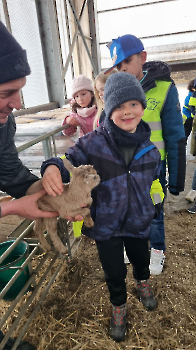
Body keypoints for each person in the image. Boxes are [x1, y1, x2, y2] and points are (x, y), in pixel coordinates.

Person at [40, 72, 164, 342]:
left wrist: (155, 202)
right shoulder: (93, 142)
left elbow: (154, 180)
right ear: (107, 107)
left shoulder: (151, 150)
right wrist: (52, 166)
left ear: (143, 106)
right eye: (118, 106)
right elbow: (69, 158)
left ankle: (142, 283)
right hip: (105, 223)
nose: (127, 111)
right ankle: (119, 305)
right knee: (114, 269)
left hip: (138, 221)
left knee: (141, 259)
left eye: (133, 104)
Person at [0, 21, 83, 349]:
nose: (18, 103)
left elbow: (12, 175)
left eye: (19, 90)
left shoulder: (3, 123)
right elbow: (13, 198)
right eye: (6, 92)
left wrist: (52, 184)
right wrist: (10, 208)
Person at [105, 34, 186, 276]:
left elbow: (174, 135)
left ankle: (157, 249)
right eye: (118, 65)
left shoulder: (164, 89)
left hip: (153, 167)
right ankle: (132, 248)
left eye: (126, 61)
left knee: (153, 210)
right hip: (124, 166)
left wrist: (177, 177)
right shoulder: (116, 90)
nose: (122, 69)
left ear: (142, 57)